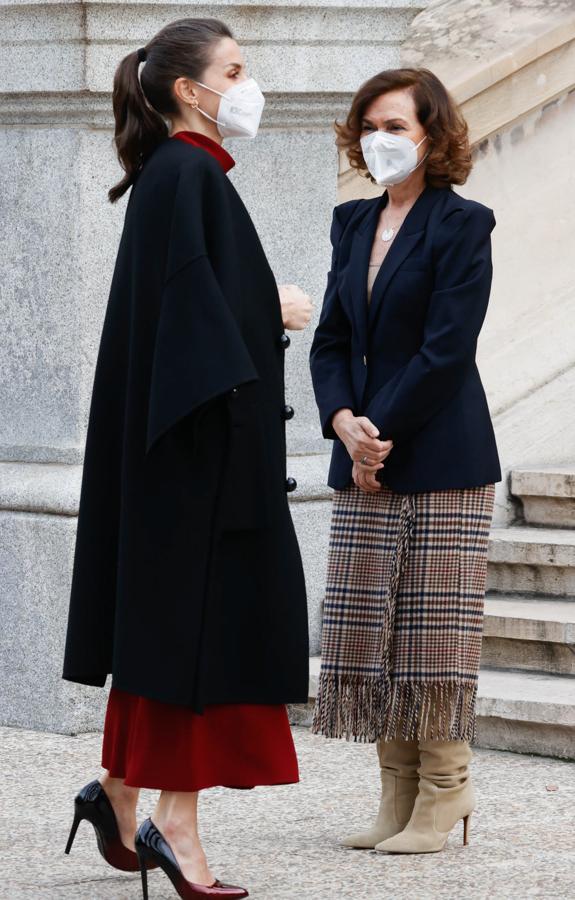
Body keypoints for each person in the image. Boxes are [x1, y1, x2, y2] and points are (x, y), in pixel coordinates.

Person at [62, 17, 311, 899]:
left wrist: (248, 306)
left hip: (179, 464)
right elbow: (197, 341)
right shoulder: (187, 177)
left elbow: (182, 318)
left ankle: (119, 795)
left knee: (167, 635)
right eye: (235, 70)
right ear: (188, 91)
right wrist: (269, 310)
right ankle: (176, 826)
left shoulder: (173, 178)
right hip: (202, 470)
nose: (249, 84)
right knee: (198, 642)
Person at [309, 67, 501, 855]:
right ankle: (395, 792)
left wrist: (376, 429)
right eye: (368, 124)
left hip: (441, 452)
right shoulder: (350, 222)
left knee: (430, 635)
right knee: (367, 632)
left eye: (396, 126)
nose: (377, 139)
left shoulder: (464, 224)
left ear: (433, 137)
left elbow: (446, 349)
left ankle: (445, 792)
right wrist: (342, 421)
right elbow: (328, 340)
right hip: (361, 453)